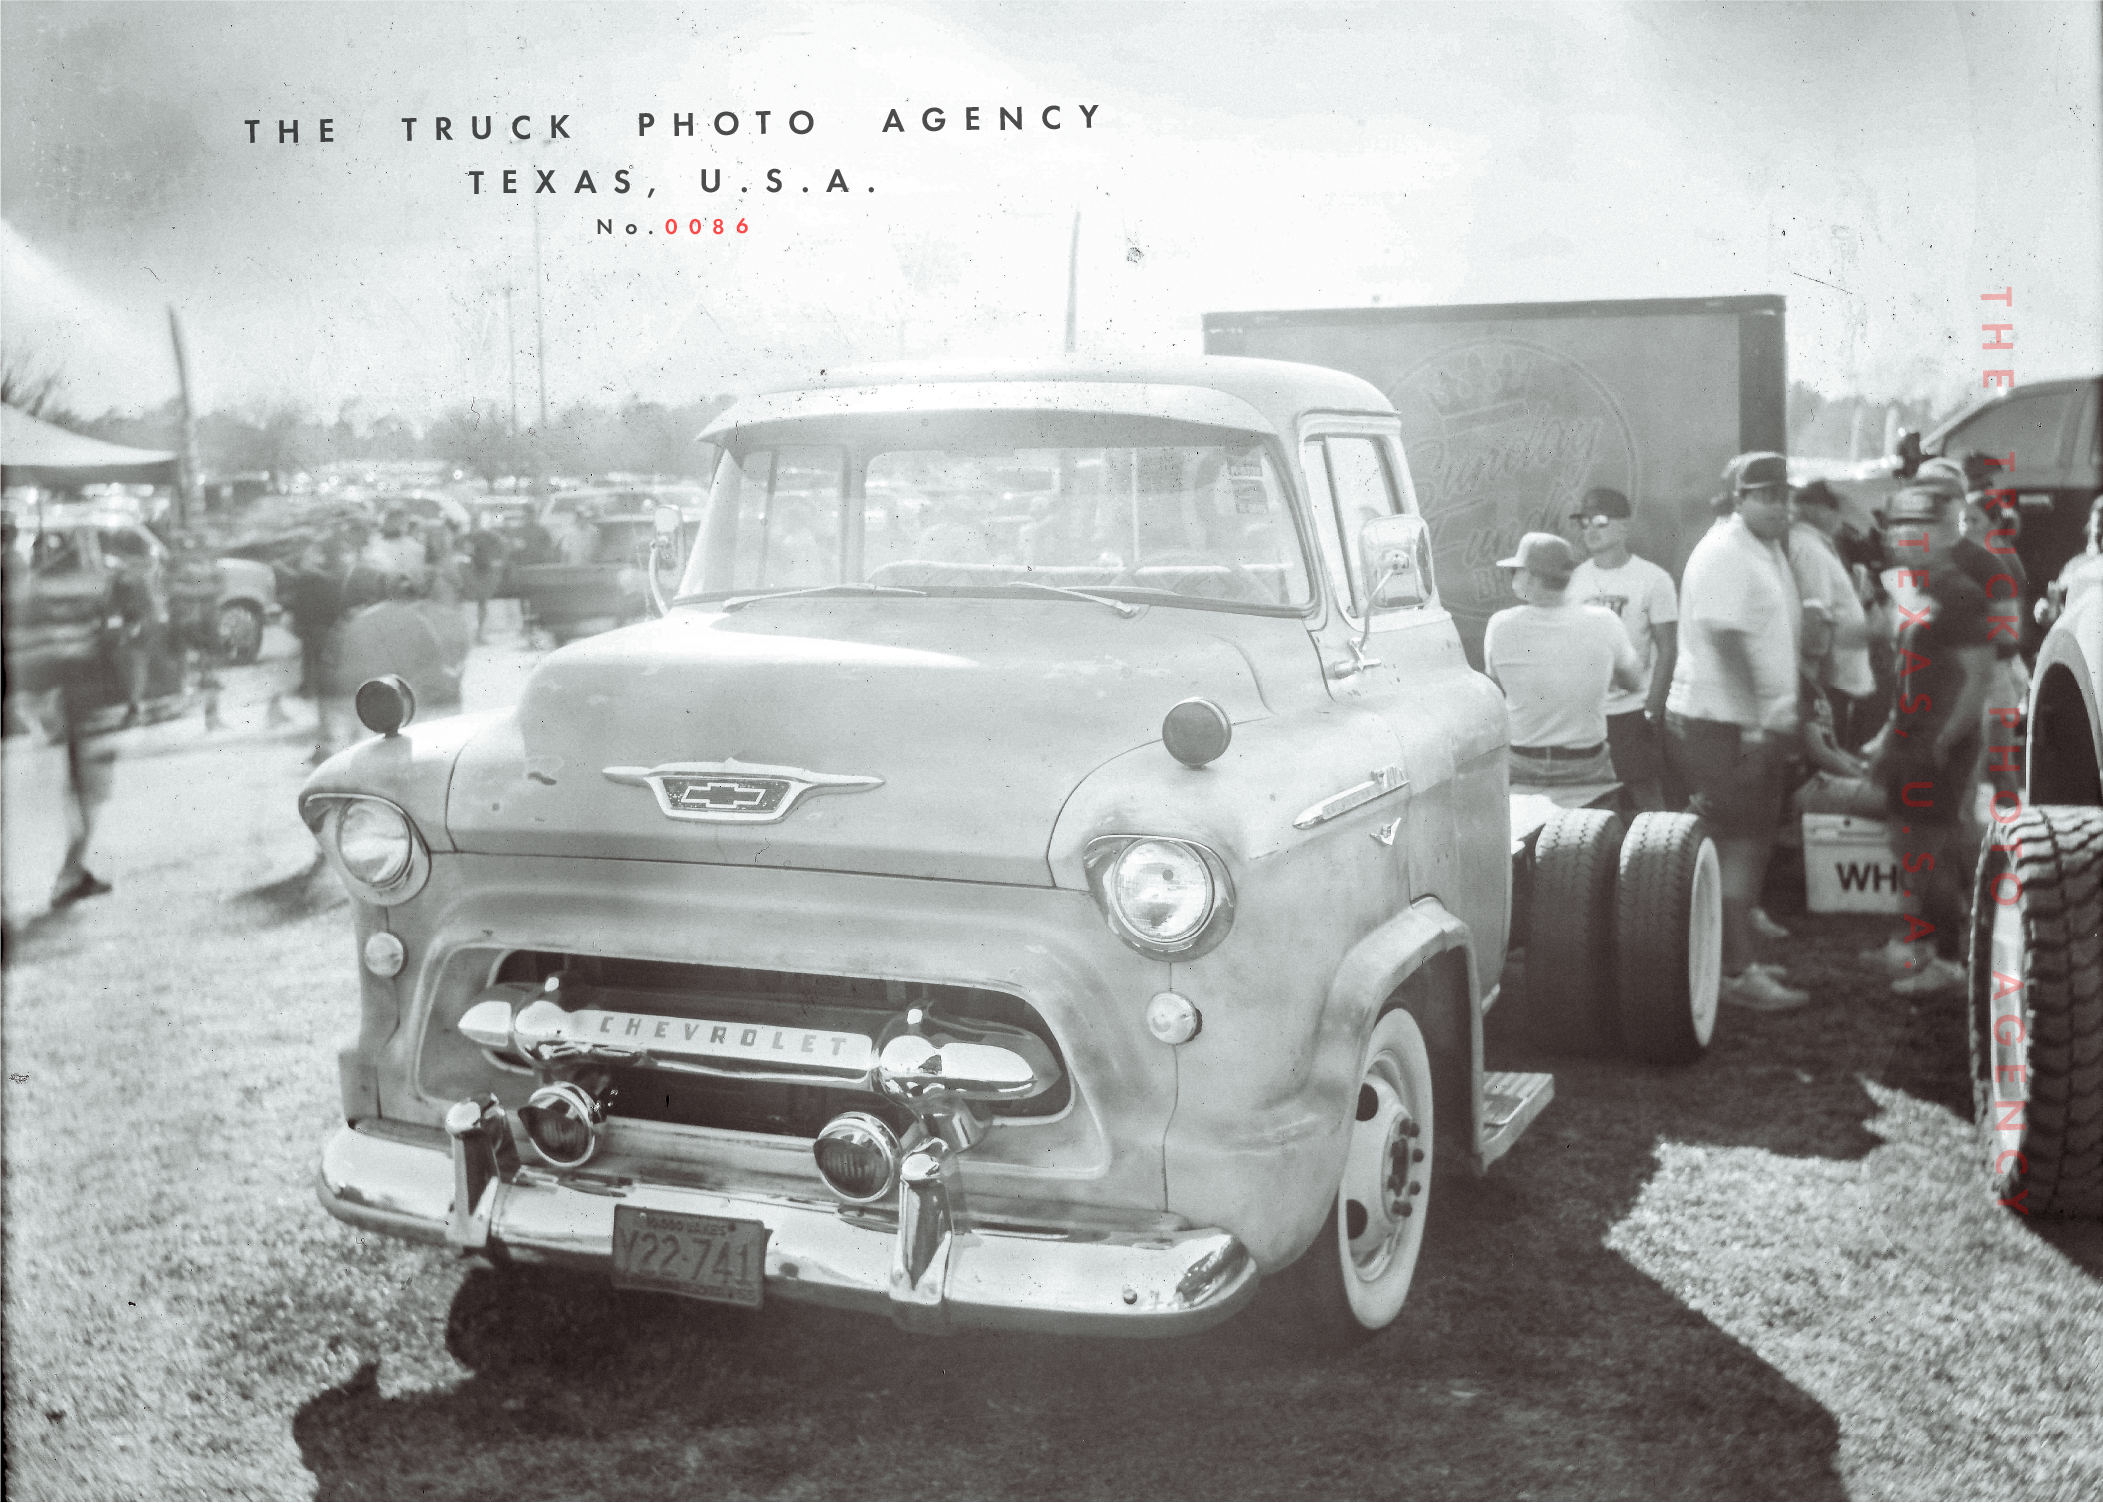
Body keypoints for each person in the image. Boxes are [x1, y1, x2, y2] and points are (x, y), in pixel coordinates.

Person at [1663, 452, 1808, 1010]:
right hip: (1723, 725)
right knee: (1738, 850)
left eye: (1784, 495)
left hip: (1744, 724)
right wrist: (1754, 719)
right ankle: (1737, 974)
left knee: (1746, 847)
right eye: (1766, 495)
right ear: (1738, 498)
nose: (1780, 506)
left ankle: (1732, 959)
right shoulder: (1726, 552)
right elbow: (1722, 641)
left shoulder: (1760, 547)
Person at [1865, 479, 1997, 995]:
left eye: (1919, 525)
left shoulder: (1960, 593)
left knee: (1930, 855)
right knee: (1907, 848)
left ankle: (1947, 962)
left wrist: (1943, 743)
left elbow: (1977, 678)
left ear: (1946, 533)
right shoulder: (1914, 588)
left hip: (1936, 747)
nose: (1904, 535)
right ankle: (1915, 945)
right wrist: (1887, 736)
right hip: (1908, 741)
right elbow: (1910, 674)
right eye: (1899, 524)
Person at [1483, 532, 1644, 788]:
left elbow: (1497, 685)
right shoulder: (1604, 621)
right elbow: (1634, 682)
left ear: (1533, 577)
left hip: (1522, 762)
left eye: (1516, 571)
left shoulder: (1501, 625)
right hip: (1585, 764)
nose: (1512, 578)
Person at [1567, 486, 1678, 809]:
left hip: (1632, 711)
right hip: (1587, 714)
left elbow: (1668, 649)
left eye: (1600, 521)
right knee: (1594, 802)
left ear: (1624, 526)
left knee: (1647, 798)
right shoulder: (1574, 581)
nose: (1590, 529)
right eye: (1584, 522)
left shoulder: (1653, 579)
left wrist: (1652, 709)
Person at [165, 532, 225, 730]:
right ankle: (189, 710)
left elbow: (221, 587)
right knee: (186, 668)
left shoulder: (211, 565)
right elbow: (171, 588)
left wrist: (192, 592)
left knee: (211, 670)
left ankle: (212, 716)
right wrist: (203, 592)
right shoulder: (175, 565)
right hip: (187, 622)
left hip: (208, 621)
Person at [463, 516, 510, 642]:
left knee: (481, 602)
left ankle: (479, 631)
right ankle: (478, 632)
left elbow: (502, 543)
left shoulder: (480, 535)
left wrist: (500, 560)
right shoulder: (477, 535)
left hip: (481, 570)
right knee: (481, 602)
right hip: (478, 569)